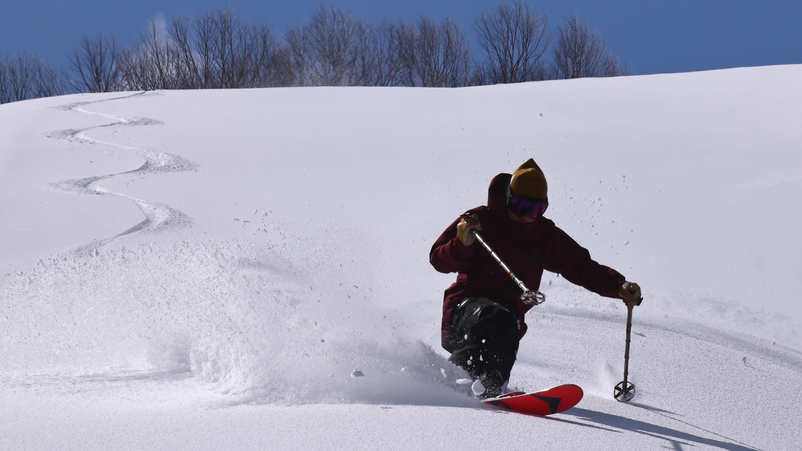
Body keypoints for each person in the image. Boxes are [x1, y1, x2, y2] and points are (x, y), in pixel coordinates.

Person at [429, 158, 642, 397]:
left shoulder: (544, 235)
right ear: (508, 198)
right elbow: (437, 258)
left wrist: (618, 285)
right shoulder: (480, 221)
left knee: (506, 327)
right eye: (521, 207)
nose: (528, 216)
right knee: (498, 320)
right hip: (465, 309)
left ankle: (486, 388)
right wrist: (461, 243)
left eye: (537, 209)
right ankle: (462, 386)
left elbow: (580, 266)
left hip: (507, 324)